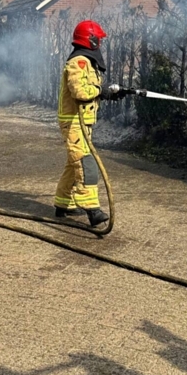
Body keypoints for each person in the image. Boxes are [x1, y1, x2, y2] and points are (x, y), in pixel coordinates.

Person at [54, 20, 127, 227]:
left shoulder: (86, 61)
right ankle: (92, 209)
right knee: (85, 163)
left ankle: (63, 203)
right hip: (73, 122)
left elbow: (91, 89)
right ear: (91, 40)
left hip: (82, 122)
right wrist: (101, 91)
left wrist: (109, 93)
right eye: (98, 40)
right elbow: (80, 92)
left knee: (74, 163)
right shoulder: (78, 62)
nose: (100, 44)